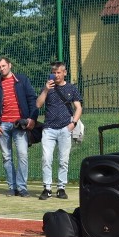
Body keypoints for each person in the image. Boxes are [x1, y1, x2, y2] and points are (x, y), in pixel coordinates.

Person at [0, 56, 38, 197]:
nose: (1, 69)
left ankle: (21, 187)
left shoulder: (22, 80)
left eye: (3, 66)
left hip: (19, 125)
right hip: (2, 126)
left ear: (10, 65)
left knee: (23, 155)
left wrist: (32, 118)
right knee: (6, 157)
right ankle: (12, 187)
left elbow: (32, 99)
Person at [36, 61, 83, 200]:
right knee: (46, 158)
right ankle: (47, 188)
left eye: (59, 72)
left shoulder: (71, 88)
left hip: (65, 128)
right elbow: (38, 104)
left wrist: (73, 123)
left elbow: (78, 107)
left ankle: (61, 188)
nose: (56, 75)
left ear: (64, 73)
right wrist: (45, 90)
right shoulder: (48, 87)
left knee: (63, 159)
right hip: (49, 129)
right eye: (54, 72)